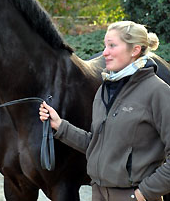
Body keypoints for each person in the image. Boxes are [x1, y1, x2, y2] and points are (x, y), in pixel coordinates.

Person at [39, 21, 170, 201]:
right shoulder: (105, 90)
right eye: (105, 46)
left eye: (112, 45)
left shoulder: (158, 92)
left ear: (135, 50)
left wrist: (141, 194)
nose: (104, 52)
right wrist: (60, 126)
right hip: (99, 194)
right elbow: (97, 145)